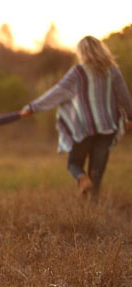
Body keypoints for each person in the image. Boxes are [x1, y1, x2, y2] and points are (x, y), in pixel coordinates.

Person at [21, 36, 132, 199]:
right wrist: (130, 117)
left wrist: (33, 107)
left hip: (83, 128)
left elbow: (57, 92)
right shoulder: (112, 70)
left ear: (82, 52)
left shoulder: (78, 72)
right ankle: (92, 209)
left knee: (73, 164)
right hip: (108, 128)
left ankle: (82, 179)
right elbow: (124, 97)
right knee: (97, 173)